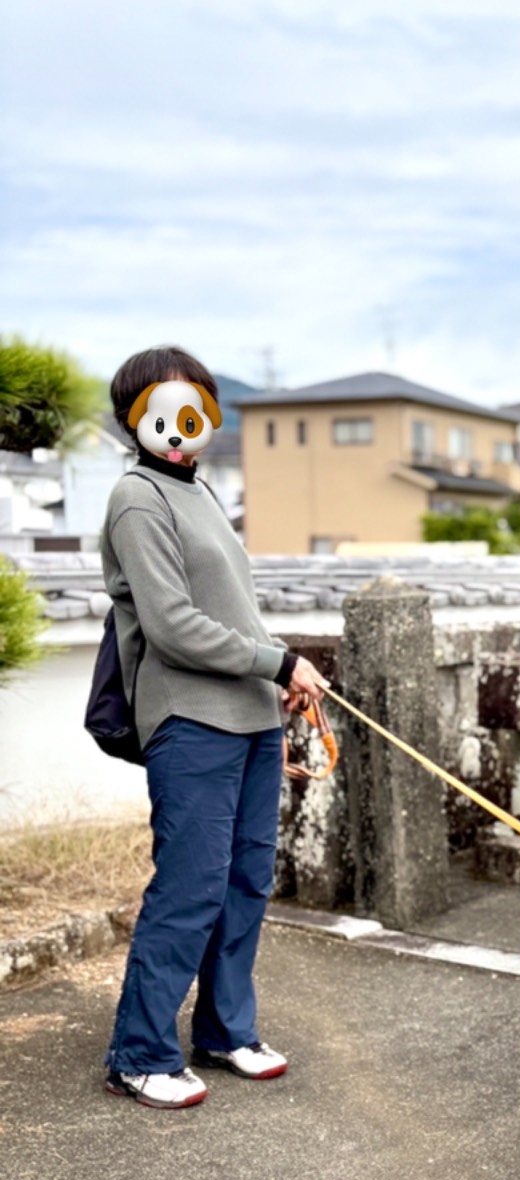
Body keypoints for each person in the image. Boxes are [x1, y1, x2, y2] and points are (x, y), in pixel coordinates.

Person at [99, 345, 328, 1109]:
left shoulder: (197, 491)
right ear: (133, 419)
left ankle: (226, 1031)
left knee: (245, 882)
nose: (178, 427)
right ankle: (139, 1053)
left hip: (251, 719)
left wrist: (278, 682)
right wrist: (279, 662)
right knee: (191, 887)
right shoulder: (137, 497)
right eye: (160, 412)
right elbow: (171, 626)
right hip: (190, 720)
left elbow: (235, 616)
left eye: (191, 410)